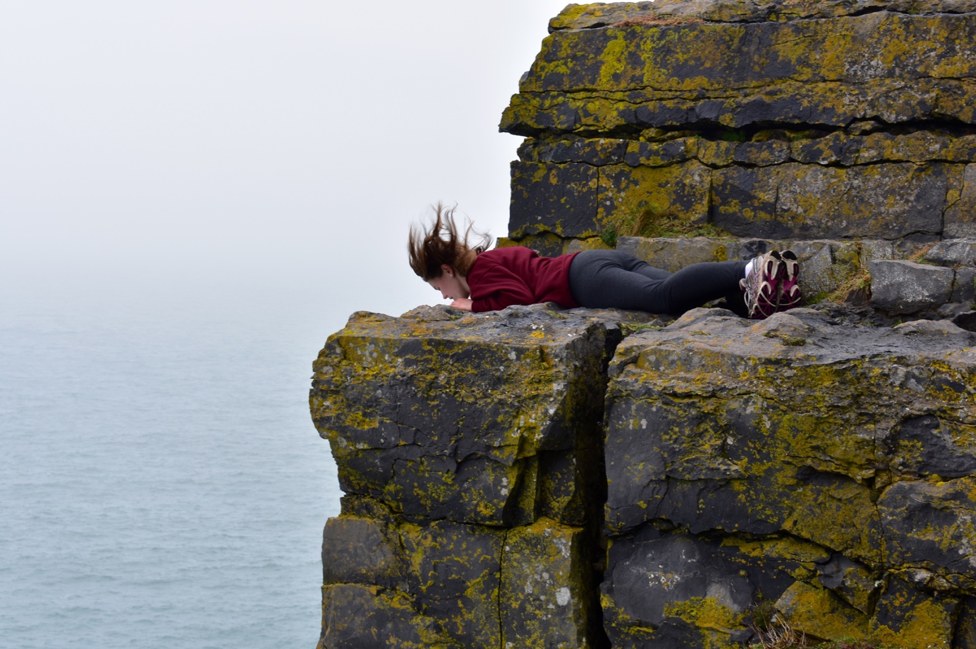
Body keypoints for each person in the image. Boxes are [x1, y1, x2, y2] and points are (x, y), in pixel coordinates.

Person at [408, 205, 800, 319]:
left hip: (583, 278)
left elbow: (517, 299)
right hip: (600, 260)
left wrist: (473, 305)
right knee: (681, 297)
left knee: (664, 297)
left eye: (438, 287)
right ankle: (751, 293)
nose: (444, 296)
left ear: (447, 270)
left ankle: (748, 268)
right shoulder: (492, 259)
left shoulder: (482, 272)